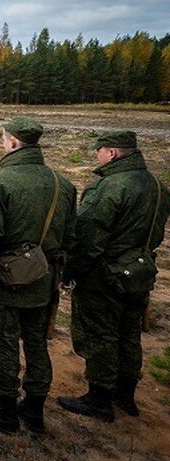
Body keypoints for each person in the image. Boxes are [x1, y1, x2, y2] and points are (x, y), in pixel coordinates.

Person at [0, 117, 77, 434]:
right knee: (38, 344)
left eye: (4, 139)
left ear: (12, 142)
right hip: (43, 281)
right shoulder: (62, 185)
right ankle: (35, 411)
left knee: (4, 343)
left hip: (5, 282)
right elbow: (71, 238)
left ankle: (6, 411)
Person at [58, 130, 169, 421]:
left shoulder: (109, 187)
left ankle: (99, 398)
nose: (98, 155)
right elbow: (155, 234)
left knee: (100, 334)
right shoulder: (157, 186)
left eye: (101, 150)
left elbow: (89, 238)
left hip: (104, 275)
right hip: (140, 271)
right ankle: (126, 396)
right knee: (129, 333)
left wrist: (71, 271)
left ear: (113, 153)